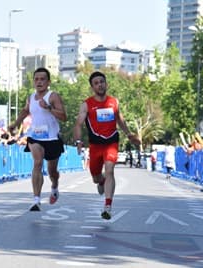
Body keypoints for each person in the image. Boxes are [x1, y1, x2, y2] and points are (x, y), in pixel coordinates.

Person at [73, 71, 140, 220]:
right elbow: (78, 124)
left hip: (111, 142)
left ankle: (108, 206)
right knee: (96, 177)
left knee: (109, 171)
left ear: (106, 84)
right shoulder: (86, 104)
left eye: (102, 82)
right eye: (96, 83)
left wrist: (129, 135)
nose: (100, 85)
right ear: (92, 87)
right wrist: (78, 141)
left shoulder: (114, 102)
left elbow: (120, 120)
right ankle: (101, 181)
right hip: (95, 145)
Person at [8, 67, 67, 211]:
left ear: (48, 82)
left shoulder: (53, 96)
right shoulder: (31, 97)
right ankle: (36, 199)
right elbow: (25, 110)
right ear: (33, 82)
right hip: (36, 137)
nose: (39, 82)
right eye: (36, 79)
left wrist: (48, 108)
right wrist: (15, 123)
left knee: (52, 171)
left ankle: (54, 186)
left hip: (52, 138)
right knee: (37, 163)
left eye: (42, 79)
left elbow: (64, 117)